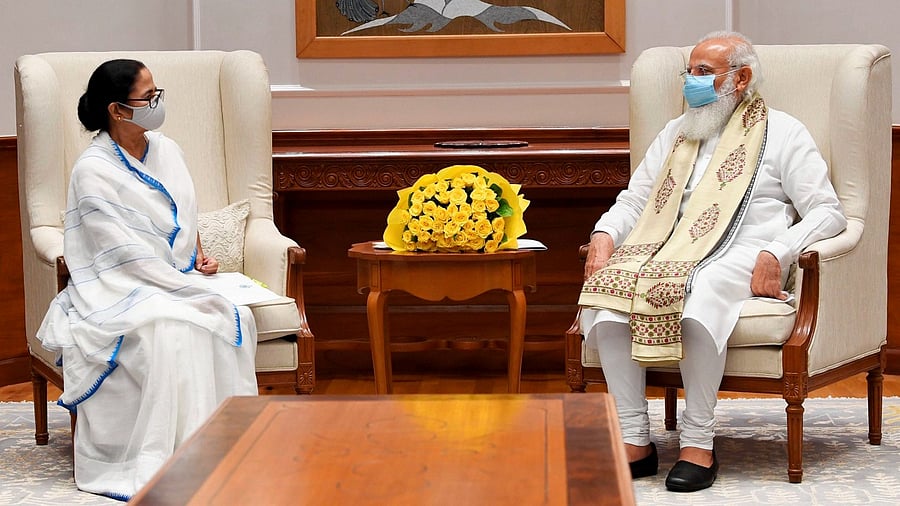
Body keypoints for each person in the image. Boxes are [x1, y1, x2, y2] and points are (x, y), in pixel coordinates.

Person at [578, 31, 847, 493]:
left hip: (741, 249)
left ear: (740, 78)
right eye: (690, 73)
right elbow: (635, 199)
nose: (692, 83)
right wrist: (604, 234)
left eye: (704, 73)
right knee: (610, 296)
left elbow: (827, 211)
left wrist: (777, 251)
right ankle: (634, 439)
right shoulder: (676, 132)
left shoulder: (783, 131)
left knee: (697, 296)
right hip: (662, 244)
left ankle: (698, 443)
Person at [36, 59, 259, 501]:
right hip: (118, 286)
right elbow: (114, 251)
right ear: (118, 110)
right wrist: (172, 282)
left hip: (172, 277)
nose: (158, 104)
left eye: (159, 93)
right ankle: (170, 460)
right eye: (149, 97)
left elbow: (180, 215)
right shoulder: (92, 169)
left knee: (226, 321)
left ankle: (224, 453)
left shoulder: (168, 149)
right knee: (172, 331)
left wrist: (194, 255)